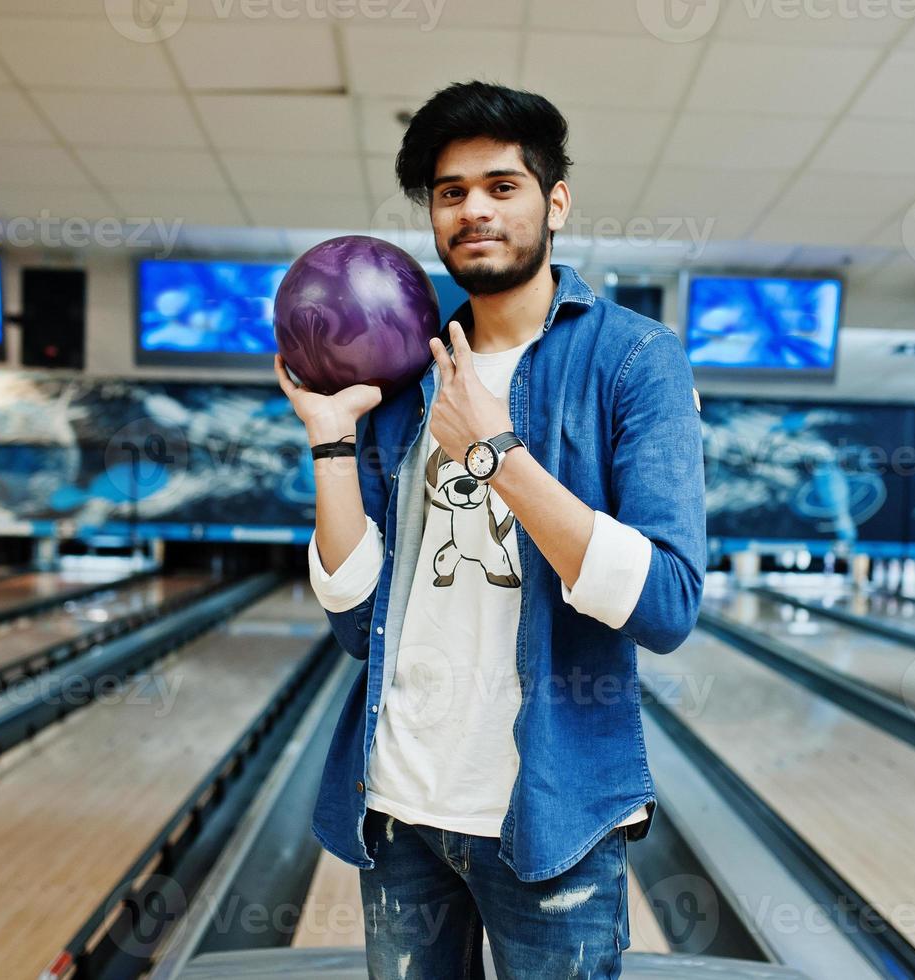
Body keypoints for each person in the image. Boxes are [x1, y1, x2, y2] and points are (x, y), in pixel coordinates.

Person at [274, 80, 706, 980]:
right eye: (449, 191)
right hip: (395, 806)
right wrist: (331, 440)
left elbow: (666, 604)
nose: (473, 208)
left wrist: (496, 452)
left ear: (554, 201)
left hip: (550, 817)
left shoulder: (633, 358)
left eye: (501, 185)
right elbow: (358, 624)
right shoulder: (403, 368)